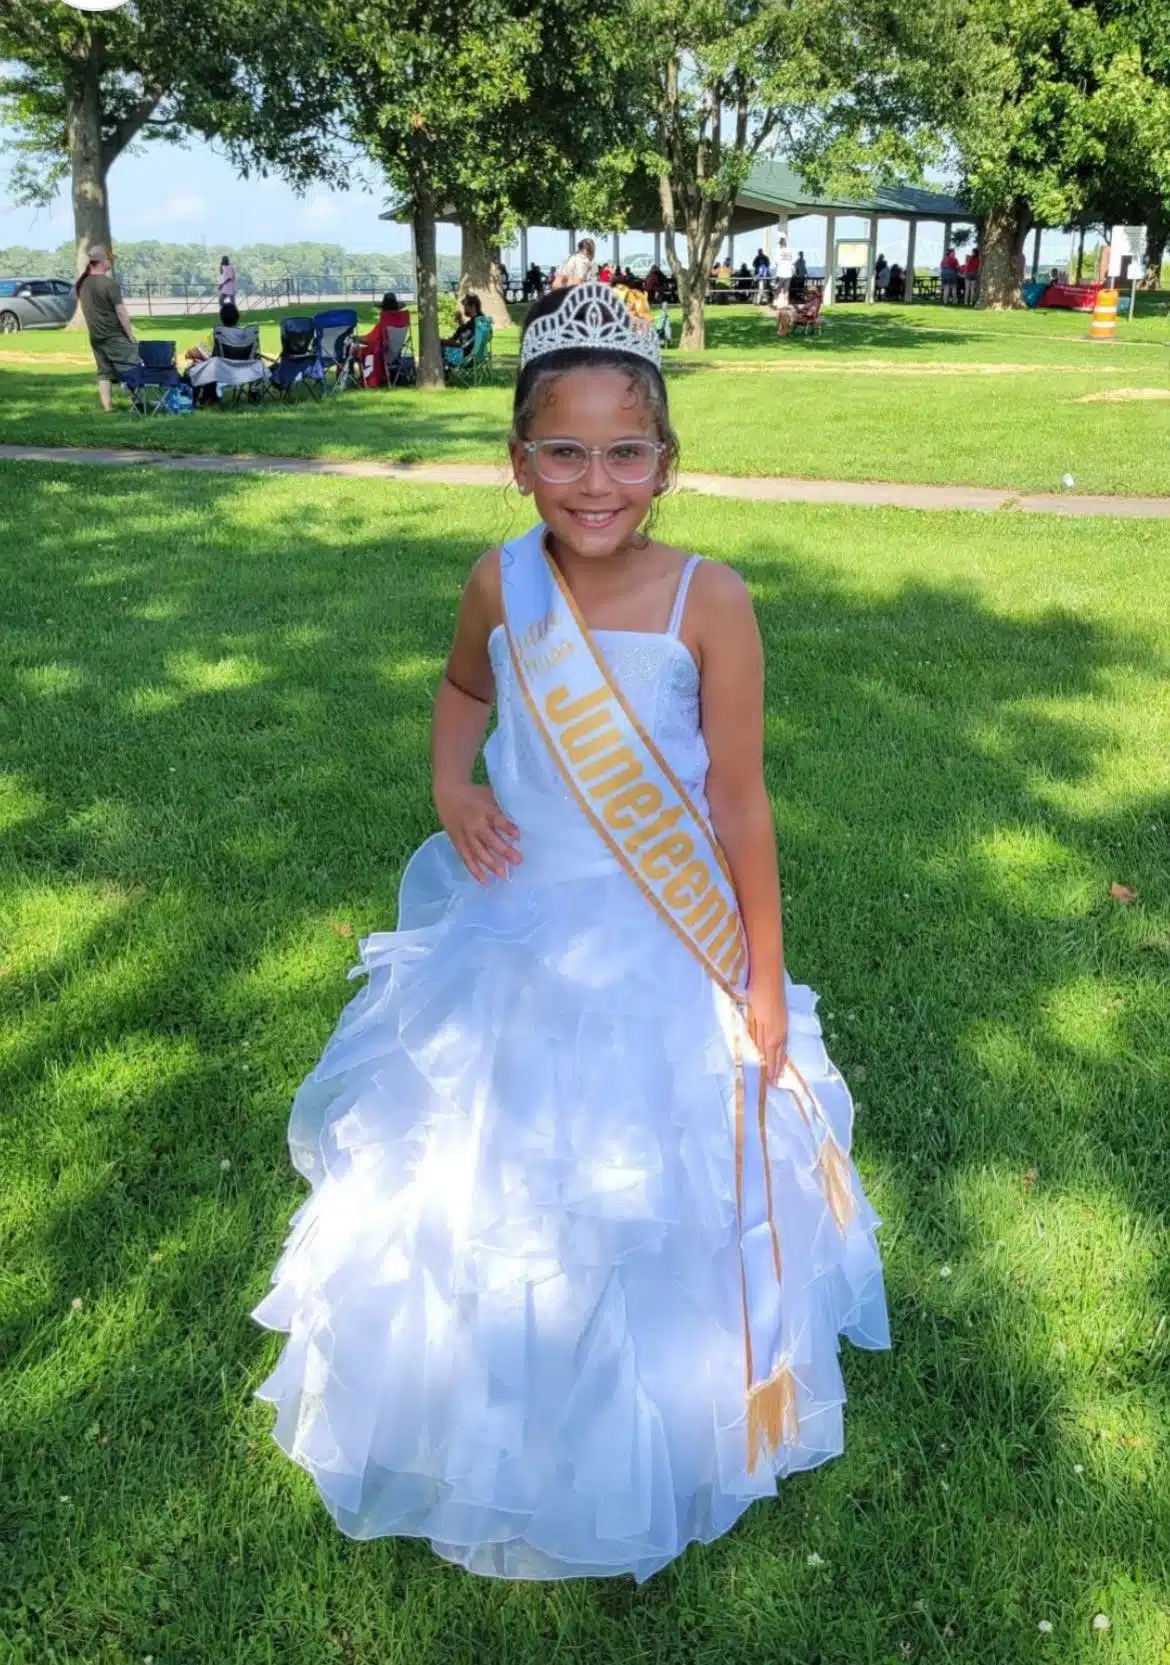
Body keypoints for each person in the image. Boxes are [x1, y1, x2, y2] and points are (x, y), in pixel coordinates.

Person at [252, 280, 890, 1580]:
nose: (592, 481)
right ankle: (487, 1416)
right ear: (517, 459)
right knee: (492, 1186)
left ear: (664, 464)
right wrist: (449, 782)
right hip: (517, 936)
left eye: (621, 452)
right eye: (563, 450)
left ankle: (683, 1417)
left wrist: (761, 973)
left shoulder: (709, 599)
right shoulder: (500, 581)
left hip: (667, 944)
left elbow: (737, 799)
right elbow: (460, 686)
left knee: (654, 1200)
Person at [75, 244, 139, 412]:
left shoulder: (83, 284)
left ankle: (107, 408)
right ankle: (138, 403)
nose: (111, 262)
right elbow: (121, 312)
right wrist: (130, 334)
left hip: (96, 336)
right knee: (133, 365)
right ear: (102, 261)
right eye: (109, 259)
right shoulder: (109, 284)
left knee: (104, 372)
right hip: (114, 335)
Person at [352, 292, 412, 388]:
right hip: (396, 355)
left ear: (383, 309)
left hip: (382, 354)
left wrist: (356, 338)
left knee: (352, 351)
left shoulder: (383, 323)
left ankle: (356, 379)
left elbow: (369, 340)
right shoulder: (402, 320)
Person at [442, 292, 483, 368]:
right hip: (480, 356)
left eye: (465, 305)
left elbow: (462, 343)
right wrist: (460, 321)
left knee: (438, 348)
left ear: (473, 306)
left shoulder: (474, 323)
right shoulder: (481, 320)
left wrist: (441, 341)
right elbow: (466, 334)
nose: (464, 308)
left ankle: (443, 376)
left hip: (464, 356)